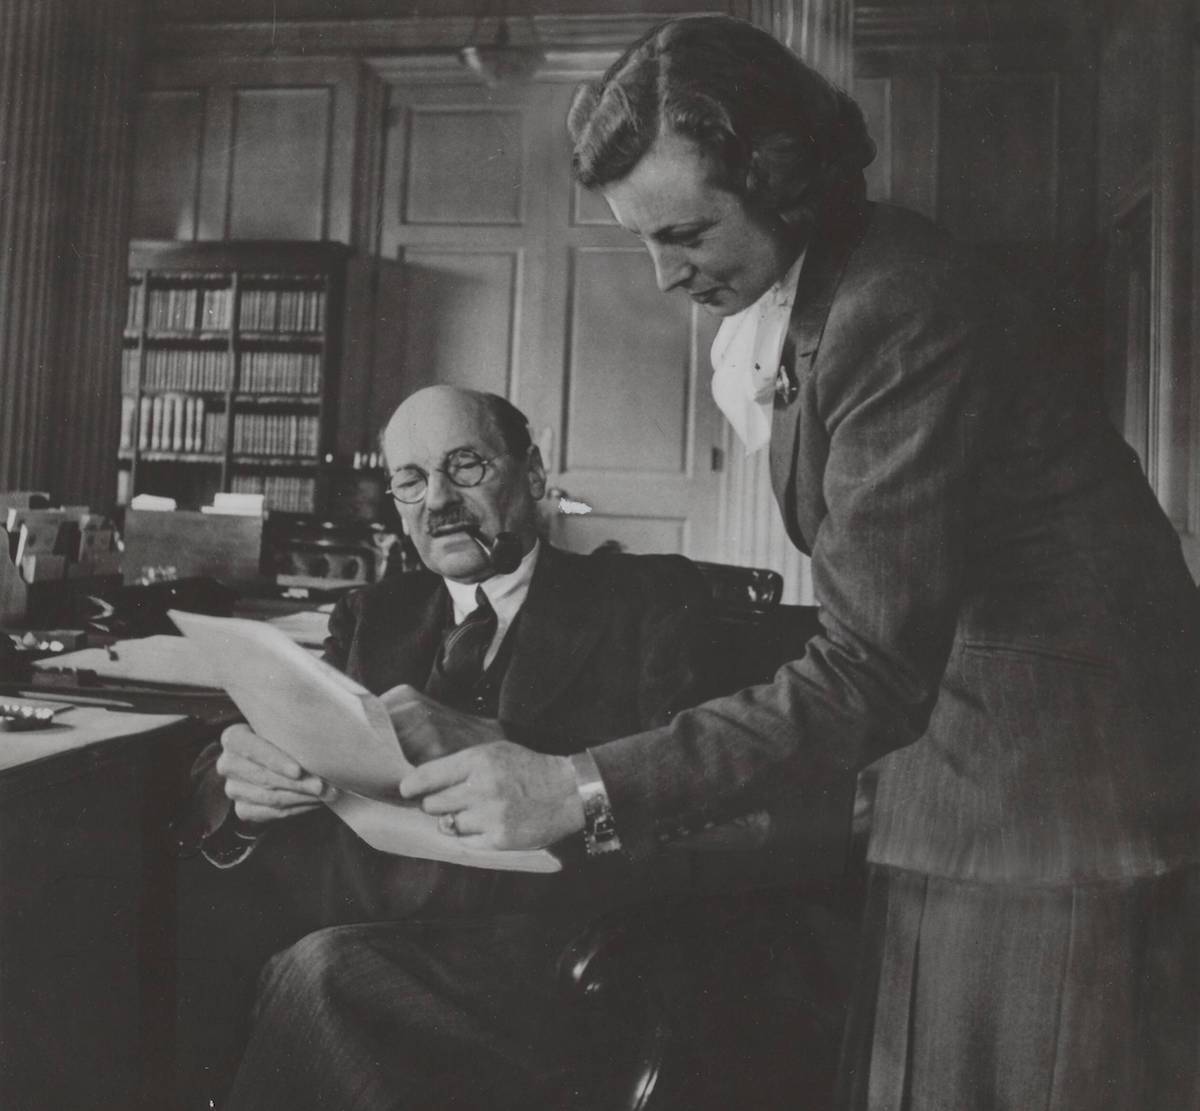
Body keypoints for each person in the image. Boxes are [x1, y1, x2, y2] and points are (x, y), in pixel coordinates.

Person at [227, 16, 1200, 1111]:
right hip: (968, 768)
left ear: (786, 184)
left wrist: (575, 786)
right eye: (642, 239)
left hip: (1056, 792)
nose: (660, 277)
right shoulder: (831, 294)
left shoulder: (896, 304)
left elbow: (870, 666)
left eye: (685, 233)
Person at [178, 385, 735, 1109]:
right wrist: (246, 789)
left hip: (550, 955)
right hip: (372, 927)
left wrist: (525, 752)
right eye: (410, 479)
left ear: (532, 476)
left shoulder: (643, 597)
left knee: (323, 977)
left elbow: (701, 802)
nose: (436, 499)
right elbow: (238, 765)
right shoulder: (375, 611)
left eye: (465, 466)